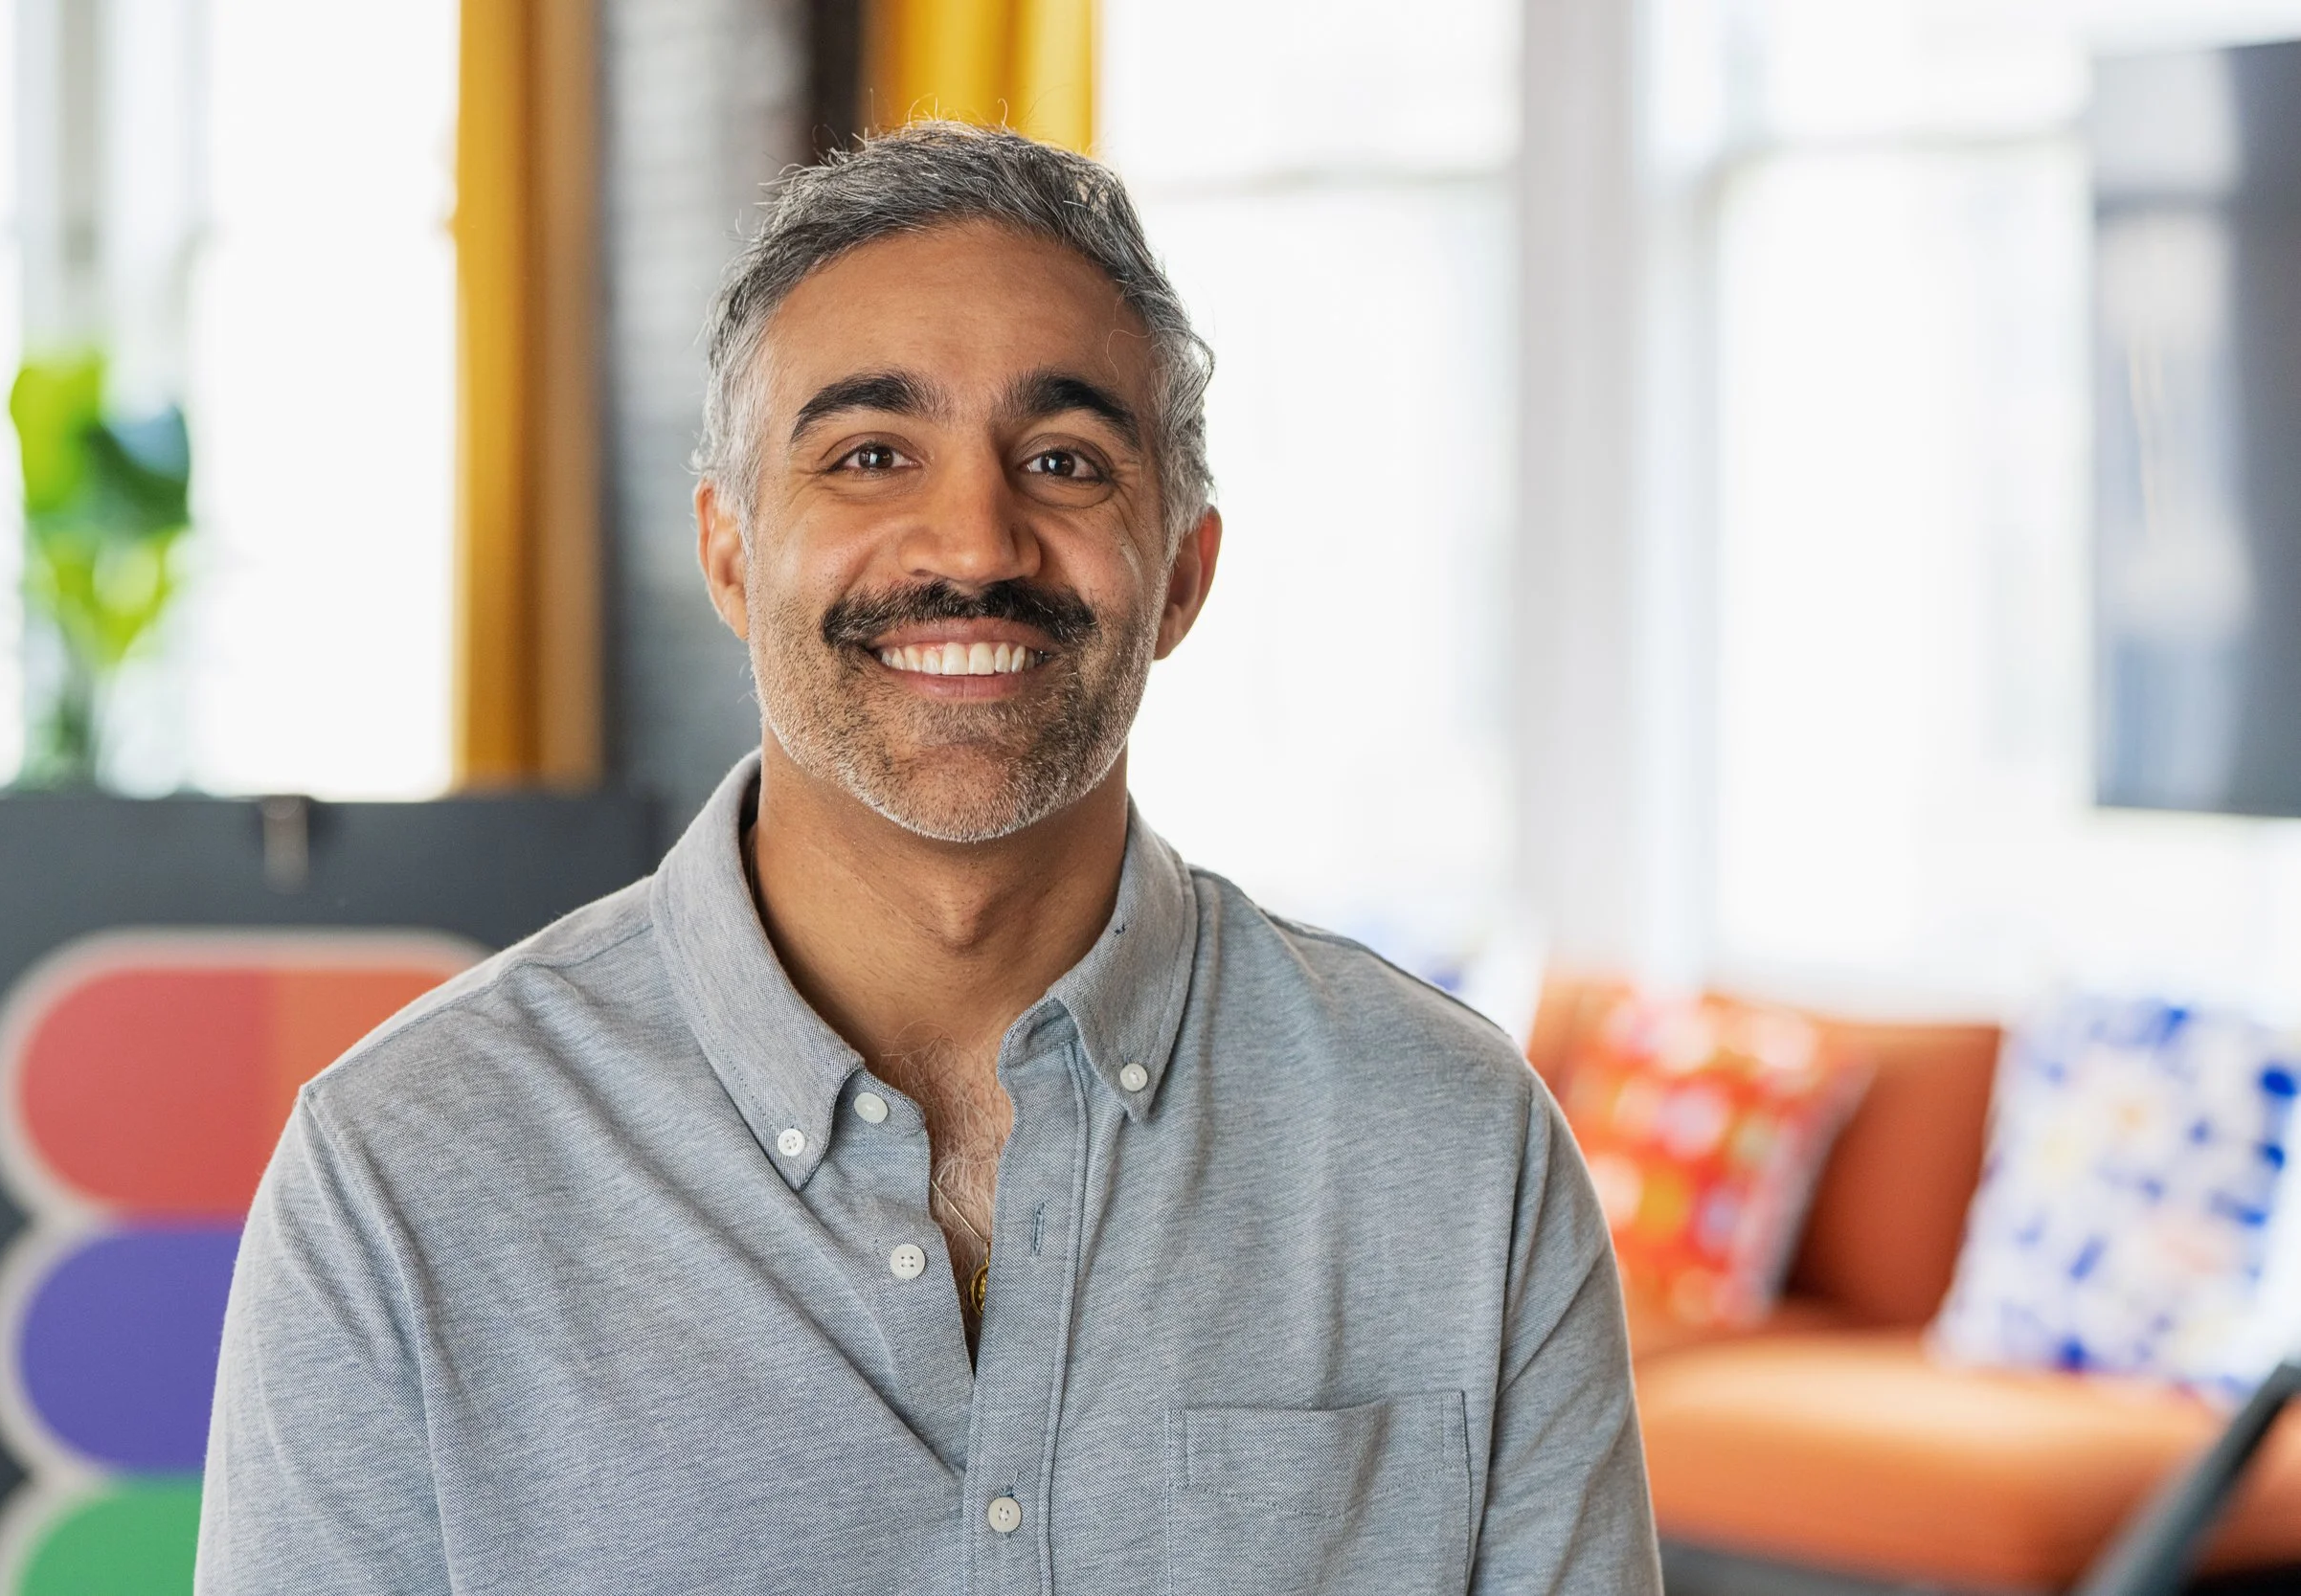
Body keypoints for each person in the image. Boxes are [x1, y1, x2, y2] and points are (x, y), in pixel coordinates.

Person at [197, 121, 1658, 1595]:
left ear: (1183, 575)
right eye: (871, 455)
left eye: (1064, 460)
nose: (973, 541)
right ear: (729, 552)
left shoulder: (1461, 1151)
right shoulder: (401, 1176)